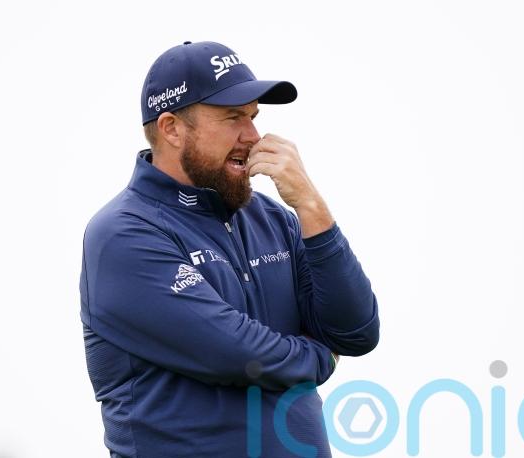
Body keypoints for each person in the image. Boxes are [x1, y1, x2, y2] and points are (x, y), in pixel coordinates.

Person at [79, 40, 380, 458]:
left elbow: (357, 332)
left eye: (253, 117)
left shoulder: (274, 219)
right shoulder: (122, 232)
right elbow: (236, 353)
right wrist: (321, 358)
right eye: (233, 117)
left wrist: (311, 207)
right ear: (171, 128)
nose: (253, 137)